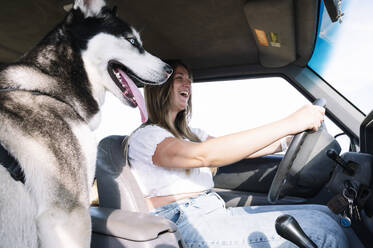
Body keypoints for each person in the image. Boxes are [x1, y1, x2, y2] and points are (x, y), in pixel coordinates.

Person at [127, 60, 348, 247]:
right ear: (160, 87)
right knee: (326, 234)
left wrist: (286, 141)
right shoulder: (148, 136)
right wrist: (290, 123)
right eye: (179, 78)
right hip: (183, 222)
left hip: (210, 210)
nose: (188, 84)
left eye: (189, 79)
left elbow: (239, 151)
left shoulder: (191, 133)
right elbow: (204, 155)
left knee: (327, 215)